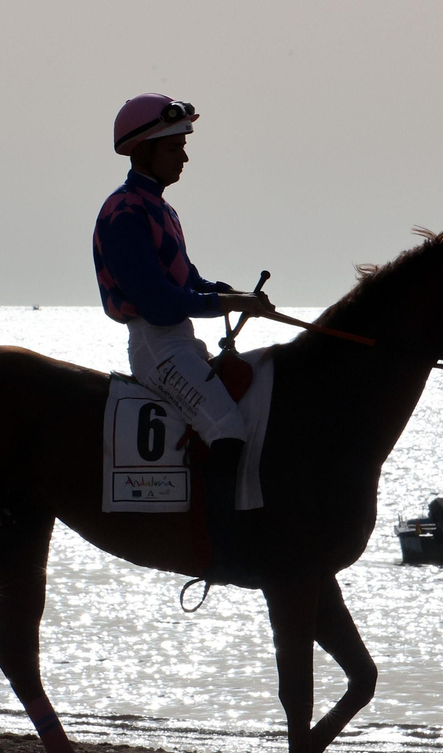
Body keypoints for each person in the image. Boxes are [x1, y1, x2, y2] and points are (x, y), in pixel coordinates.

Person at [93, 93, 272, 587]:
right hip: (156, 346)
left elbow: (189, 283)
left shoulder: (159, 209)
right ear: (145, 151)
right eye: (175, 147)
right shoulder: (125, 212)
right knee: (229, 429)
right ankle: (220, 551)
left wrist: (235, 295)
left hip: (179, 341)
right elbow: (159, 301)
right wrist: (229, 303)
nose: (185, 157)